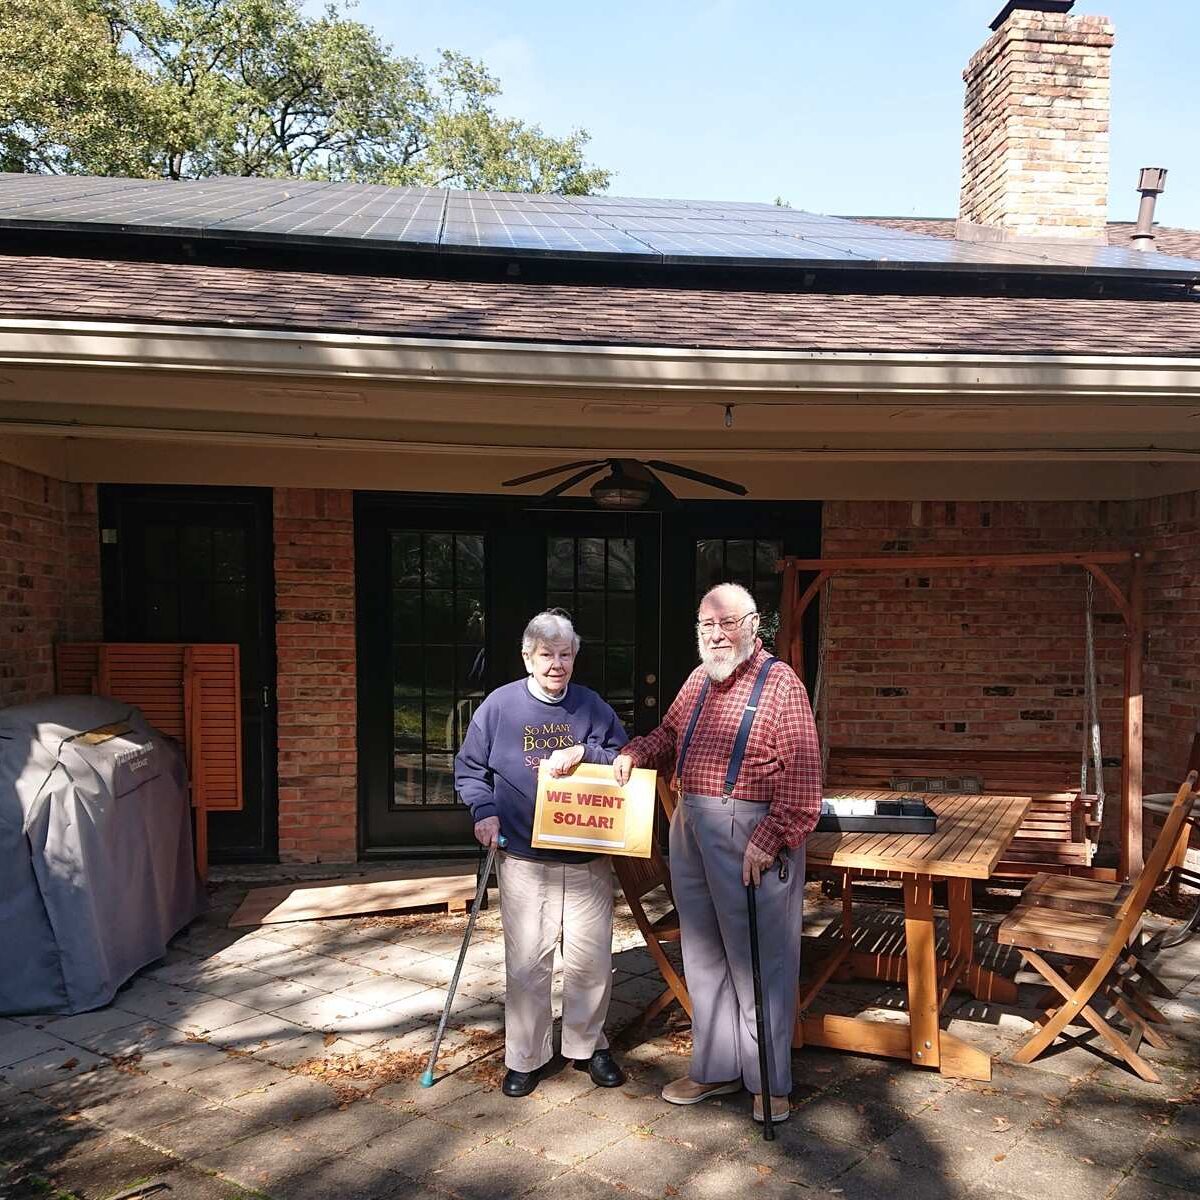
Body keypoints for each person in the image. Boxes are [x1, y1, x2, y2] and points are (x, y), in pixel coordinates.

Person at [613, 583, 821, 1123]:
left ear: (754, 625)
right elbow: (668, 733)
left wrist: (771, 836)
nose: (716, 634)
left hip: (749, 835)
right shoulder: (698, 679)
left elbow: (804, 782)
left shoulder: (782, 687)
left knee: (760, 960)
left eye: (727, 623)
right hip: (692, 825)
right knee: (704, 956)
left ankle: (769, 1081)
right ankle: (716, 1067)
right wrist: (634, 754)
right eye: (707, 624)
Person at [455, 609, 629, 1097]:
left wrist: (586, 753)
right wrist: (483, 813)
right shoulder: (500, 706)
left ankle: (588, 1044)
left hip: (587, 855)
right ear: (528, 657)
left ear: (576, 657)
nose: (557, 664)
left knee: (590, 960)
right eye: (547, 655)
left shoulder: (591, 706)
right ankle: (526, 1056)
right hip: (524, 855)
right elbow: (469, 770)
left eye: (566, 654)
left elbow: (625, 757)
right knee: (528, 961)